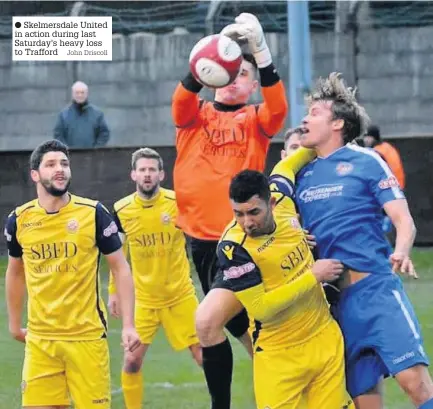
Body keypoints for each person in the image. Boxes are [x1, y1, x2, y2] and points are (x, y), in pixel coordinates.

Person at [295, 72, 433, 409]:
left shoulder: (366, 161)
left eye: (315, 113)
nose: (304, 119)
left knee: (416, 385)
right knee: (365, 403)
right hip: (337, 305)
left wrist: (401, 251)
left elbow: (404, 220)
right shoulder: (301, 175)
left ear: (338, 124)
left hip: (377, 293)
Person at [172, 12, 288, 409]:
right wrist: (208, 57)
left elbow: (279, 106)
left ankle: (223, 404)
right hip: (200, 241)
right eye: (231, 71)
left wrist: (260, 51)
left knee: (208, 322)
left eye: (243, 74)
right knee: (244, 326)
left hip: (238, 239)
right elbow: (180, 103)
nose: (236, 77)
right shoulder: (196, 114)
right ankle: (289, 379)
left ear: (253, 85)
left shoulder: (257, 118)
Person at [195, 146, 355, 409]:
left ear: (271, 202)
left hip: (323, 339)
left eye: (253, 212)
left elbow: (287, 167)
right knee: (206, 319)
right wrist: (313, 275)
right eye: (238, 213)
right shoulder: (234, 248)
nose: (246, 222)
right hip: (279, 357)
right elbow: (261, 309)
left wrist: (318, 143)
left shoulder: (283, 199)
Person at [4, 139, 140, 409]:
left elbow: (120, 268)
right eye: (51, 164)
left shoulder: (94, 213)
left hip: (86, 339)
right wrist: (13, 324)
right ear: (35, 174)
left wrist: (128, 324)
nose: (60, 169)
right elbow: (15, 272)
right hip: (41, 341)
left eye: (64, 164)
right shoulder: (19, 220)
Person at [107, 147, 202, 409]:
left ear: (161, 174)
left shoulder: (178, 203)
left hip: (180, 296)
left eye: (152, 170)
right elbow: (118, 256)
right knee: (131, 361)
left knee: (205, 356)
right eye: (142, 170)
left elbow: (200, 233)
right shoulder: (121, 209)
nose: (147, 174)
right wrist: (114, 291)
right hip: (144, 301)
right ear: (133, 175)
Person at [54, 81, 110, 148]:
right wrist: (66, 150)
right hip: (70, 155)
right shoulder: (63, 115)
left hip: (93, 156)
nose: (80, 95)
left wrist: (96, 149)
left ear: (87, 94)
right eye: (77, 93)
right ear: (73, 94)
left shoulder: (97, 114)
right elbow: (58, 135)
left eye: (82, 92)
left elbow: (104, 133)